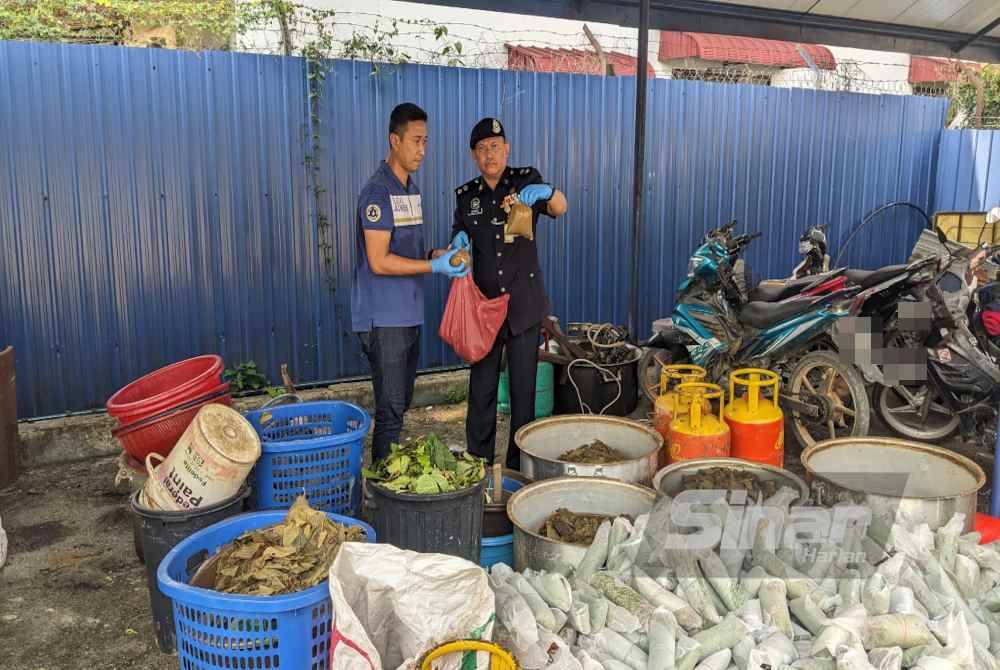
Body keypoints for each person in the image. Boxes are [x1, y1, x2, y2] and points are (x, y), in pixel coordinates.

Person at [352, 102, 468, 462]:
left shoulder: (409, 190)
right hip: (384, 319)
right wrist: (434, 269)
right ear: (394, 140)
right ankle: (381, 495)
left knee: (399, 408)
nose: (422, 149)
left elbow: (408, 250)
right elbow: (379, 260)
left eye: (426, 141)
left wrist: (441, 254)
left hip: (408, 317)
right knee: (389, 414)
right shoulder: (378, 193)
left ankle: (388, 483)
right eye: (416, 141)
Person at [451, 117, 568, 469]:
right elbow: (459, 239)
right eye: (482, 149)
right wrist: (458, 246)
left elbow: (560, 206)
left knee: (523, 395)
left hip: (524, 308)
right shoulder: (466, 196)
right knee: (481, 392)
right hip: (485, 311)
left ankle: (519, 470)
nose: (490, 155)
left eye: (496, 147)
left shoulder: (526, 180)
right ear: (474, 155)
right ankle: (479, 465)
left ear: (507, 149)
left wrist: (546, 192)